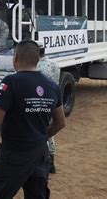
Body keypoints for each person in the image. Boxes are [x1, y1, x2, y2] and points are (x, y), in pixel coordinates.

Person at [0, 40, 66, 198]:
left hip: (15, 151)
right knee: (36, 194)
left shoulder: (11, 82)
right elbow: (60, 122)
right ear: (37, 59)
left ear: (16, 58)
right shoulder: (52, 85)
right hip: (40, 152)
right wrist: (42, 136)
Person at [36, 41, 61, 174]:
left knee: (39, 131)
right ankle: (52, 162)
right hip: (52, 101)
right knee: (50, 132)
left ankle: (43, 163)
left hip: (38, 103)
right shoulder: (55, 65)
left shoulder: (35, 66)